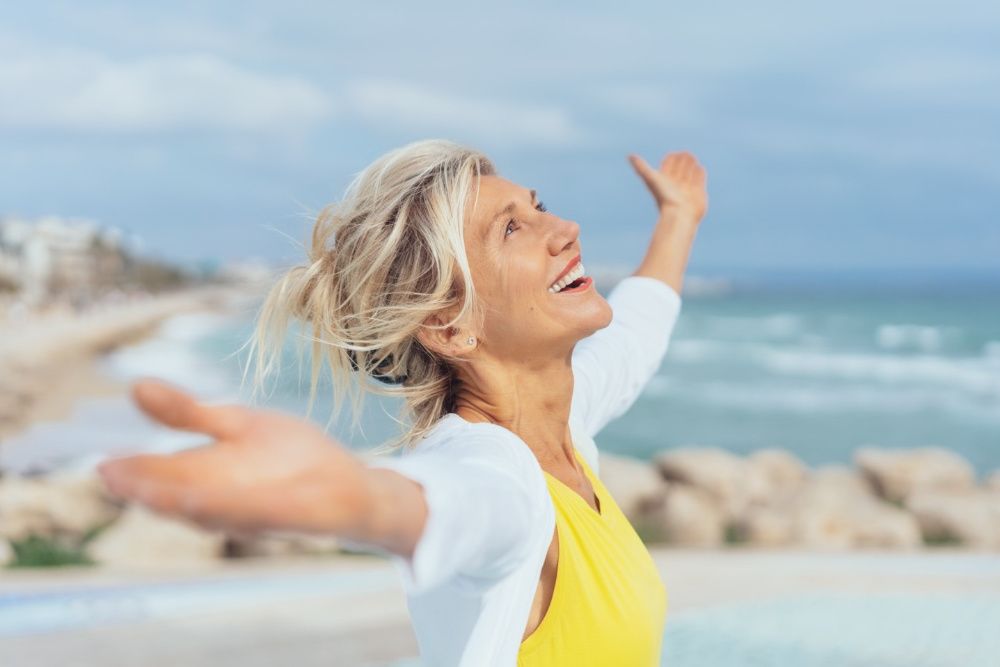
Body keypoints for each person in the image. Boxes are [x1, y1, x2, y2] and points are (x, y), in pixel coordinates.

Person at [97, 139, 708, 666]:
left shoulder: (561, 432)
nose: (565, 229)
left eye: (537, 206)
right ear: (450, 325)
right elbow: (450, 505)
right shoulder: (502, 477)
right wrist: (350, 497)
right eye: (511, 228)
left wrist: (677, 218)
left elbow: (634, 336)